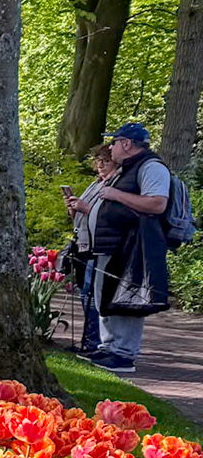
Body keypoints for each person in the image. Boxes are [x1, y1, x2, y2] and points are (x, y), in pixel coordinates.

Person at [70, 121, 171, 374]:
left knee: (128, 298)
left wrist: (116, 196)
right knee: (108, 295)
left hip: (133, 245)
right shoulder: (128, 168)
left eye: (114, 142)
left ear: (126, 144)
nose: (111, 147)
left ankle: (124, 354)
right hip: (112, 245)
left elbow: (157, 204)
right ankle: (109, 347)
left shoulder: (151, 168)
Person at [66, 144, 114, 355]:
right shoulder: (95, 184)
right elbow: (83, 215)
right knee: (86, 293)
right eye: (98, 161)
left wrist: (85, 208)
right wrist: (74, 208)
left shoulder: (116, 186)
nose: (100, 165)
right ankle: (90, 339)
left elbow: (110, 215)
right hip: (83, 243)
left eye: (105, 161)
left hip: (100, 246)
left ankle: (94, 342)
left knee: (94, 295)